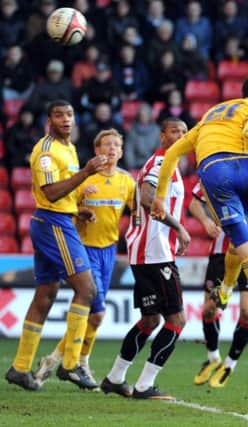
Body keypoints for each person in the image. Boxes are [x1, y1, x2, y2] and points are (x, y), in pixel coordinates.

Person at [150, 73, 248, 343]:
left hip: (216, 172)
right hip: (247, 171)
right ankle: (238, 295)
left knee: (242, 245)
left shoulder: (210, 115)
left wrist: (159, 197)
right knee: (242, 246)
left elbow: (171, 154)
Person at [4, 100, 109, 391]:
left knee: (45, 296)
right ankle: (71, 364)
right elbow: (50, 193)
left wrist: (77, 209)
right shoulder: (47, 151)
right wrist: (87, 172)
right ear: (49, 120)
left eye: (70, 114)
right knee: (86, 289)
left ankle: (21, 368)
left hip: (58, 220)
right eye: (59, 115)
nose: (66, 119)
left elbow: (63, 193)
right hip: (52, 223)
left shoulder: (69, 148)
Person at [34, 129, 135, 387]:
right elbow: (62, 210)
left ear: (122, 152)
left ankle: (59, 360)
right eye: (106, 145)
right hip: (83, 249)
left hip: (109, 251)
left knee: (95, 316)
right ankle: (75, 363)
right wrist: (80, 210)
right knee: (98, 314)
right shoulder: (82, 180)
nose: (111, 149)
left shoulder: (127, 181)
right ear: (96, 150)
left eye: (116, 145)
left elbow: (138, 213)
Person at [100, 117, 190, 400]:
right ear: (161, 135)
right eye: (175, 130)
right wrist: (179, 227)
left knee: (150, 320)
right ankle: (144, 385)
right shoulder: (161, 163)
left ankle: (115, 378)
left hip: (147, 252)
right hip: (155, 252)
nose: (181, 135)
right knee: (176, 320)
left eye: (185, 132)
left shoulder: (170, 165)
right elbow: (149, 200)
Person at [190, 165, 248, 388]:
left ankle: (229, 364)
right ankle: (213, 357)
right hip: (220, 252)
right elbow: (195, 201)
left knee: (247, 312)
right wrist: (206, 222)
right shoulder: (219, 166)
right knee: (209, 309)